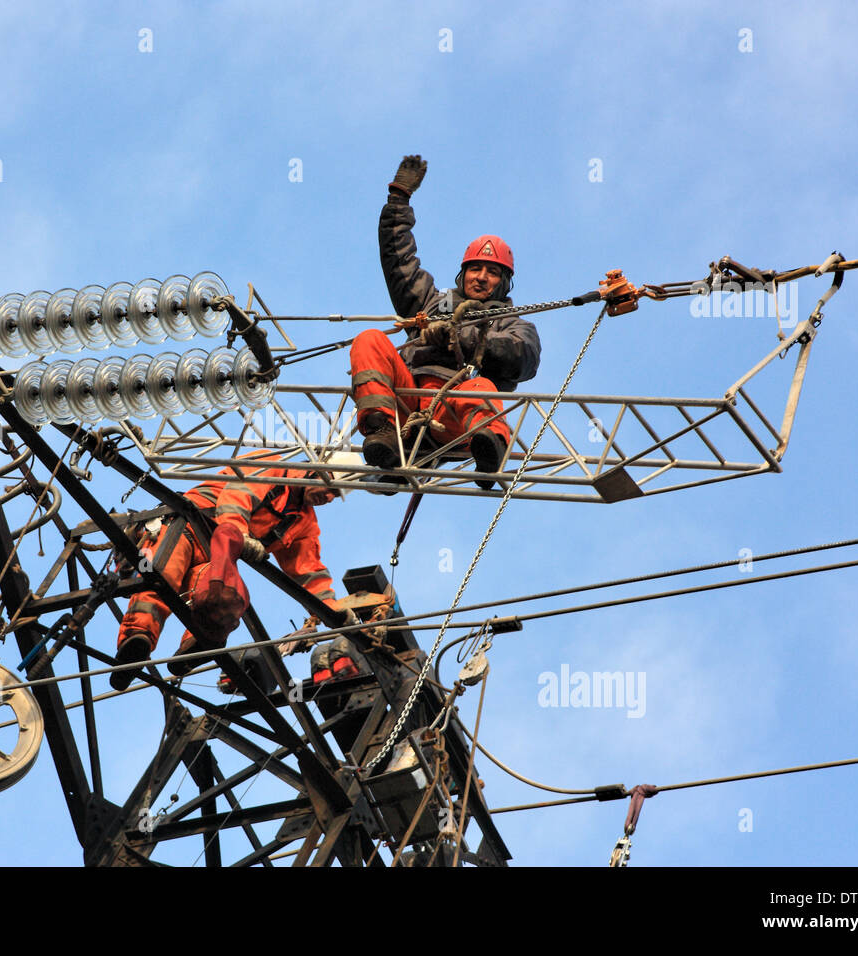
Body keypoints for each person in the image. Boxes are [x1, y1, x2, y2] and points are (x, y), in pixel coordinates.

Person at [351, 155, 542, 489]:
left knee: (480, 387)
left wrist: (462, 338)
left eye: (492, 272)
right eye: (475, 269)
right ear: (463, 273)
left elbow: (523, 358)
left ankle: (490, 448)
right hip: (406, 404)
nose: (481, 278)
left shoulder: (511, 322)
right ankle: (383, 431)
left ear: (503, 283)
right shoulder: (431, 302)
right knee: (369, 340)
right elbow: (398, 260)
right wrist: (399, 199)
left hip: (453, 413)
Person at [111, 453, 360, 690]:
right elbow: (237, 495)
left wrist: (331, 609)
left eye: (335, 496)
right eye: (331, 489)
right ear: (317, 471)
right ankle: (137, 642)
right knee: (161, 582)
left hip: (214, 555)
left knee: (227, 598)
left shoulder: (303, 522)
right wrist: (239, 533)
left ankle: (197, 644)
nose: (329, 498)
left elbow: (308, 571)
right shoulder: (272, 468)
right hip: (186, 528)